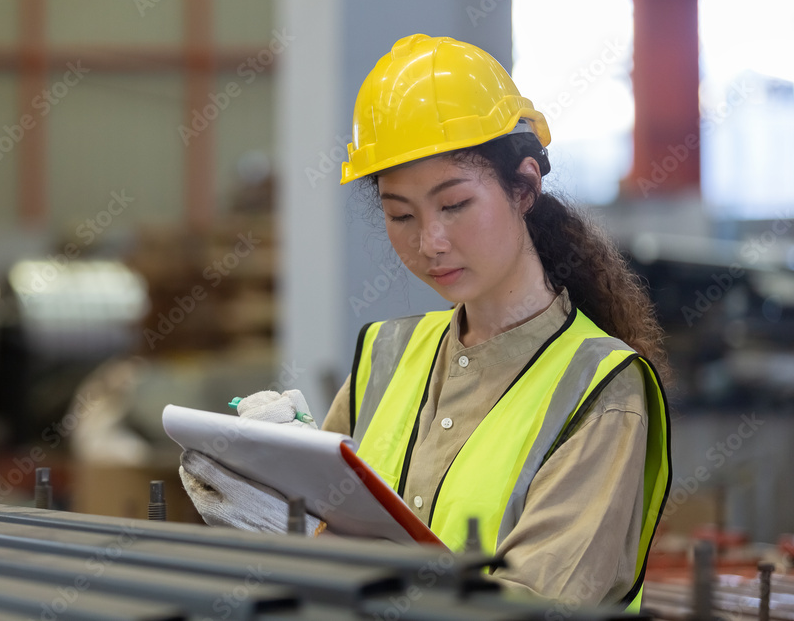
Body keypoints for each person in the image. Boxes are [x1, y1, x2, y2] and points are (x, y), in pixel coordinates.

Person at [179, 34, 671, 610]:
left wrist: (311, 546)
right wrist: (278, 493)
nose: (430, 242)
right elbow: (329, 535)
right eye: (400, 215)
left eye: (455, 204)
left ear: (526, 188)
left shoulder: (602, 389)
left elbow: (533, 608)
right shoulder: (385, 353)